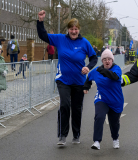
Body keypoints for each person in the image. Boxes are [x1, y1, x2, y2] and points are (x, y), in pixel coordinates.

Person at [37, 10, 98, 146]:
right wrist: (40, 21)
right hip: (63, 79)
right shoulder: (60, 39)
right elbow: (43, 35)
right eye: (71, 29)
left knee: (77, 108)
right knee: (64, 105)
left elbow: (94, 58)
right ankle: (62, 136)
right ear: (68, 30)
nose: (74, 31)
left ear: (79, 29)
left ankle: (76, 135)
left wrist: (88, 67)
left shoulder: (84, 43)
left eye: (76, 29)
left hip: (79, 81)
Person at [83, 49, 124, 150]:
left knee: (114, 122)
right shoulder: (97, 71)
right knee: (99, 116)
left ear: (112, 60)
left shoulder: (117, 69)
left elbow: (114, 77)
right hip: (102, 98)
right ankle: (97, 141)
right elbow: (89, 77)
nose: (107, 61)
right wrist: (86, 87)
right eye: (104, 59)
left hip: (116, 100)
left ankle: (115, 139)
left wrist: (103, 71)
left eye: (109, 59)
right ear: (102, 61)